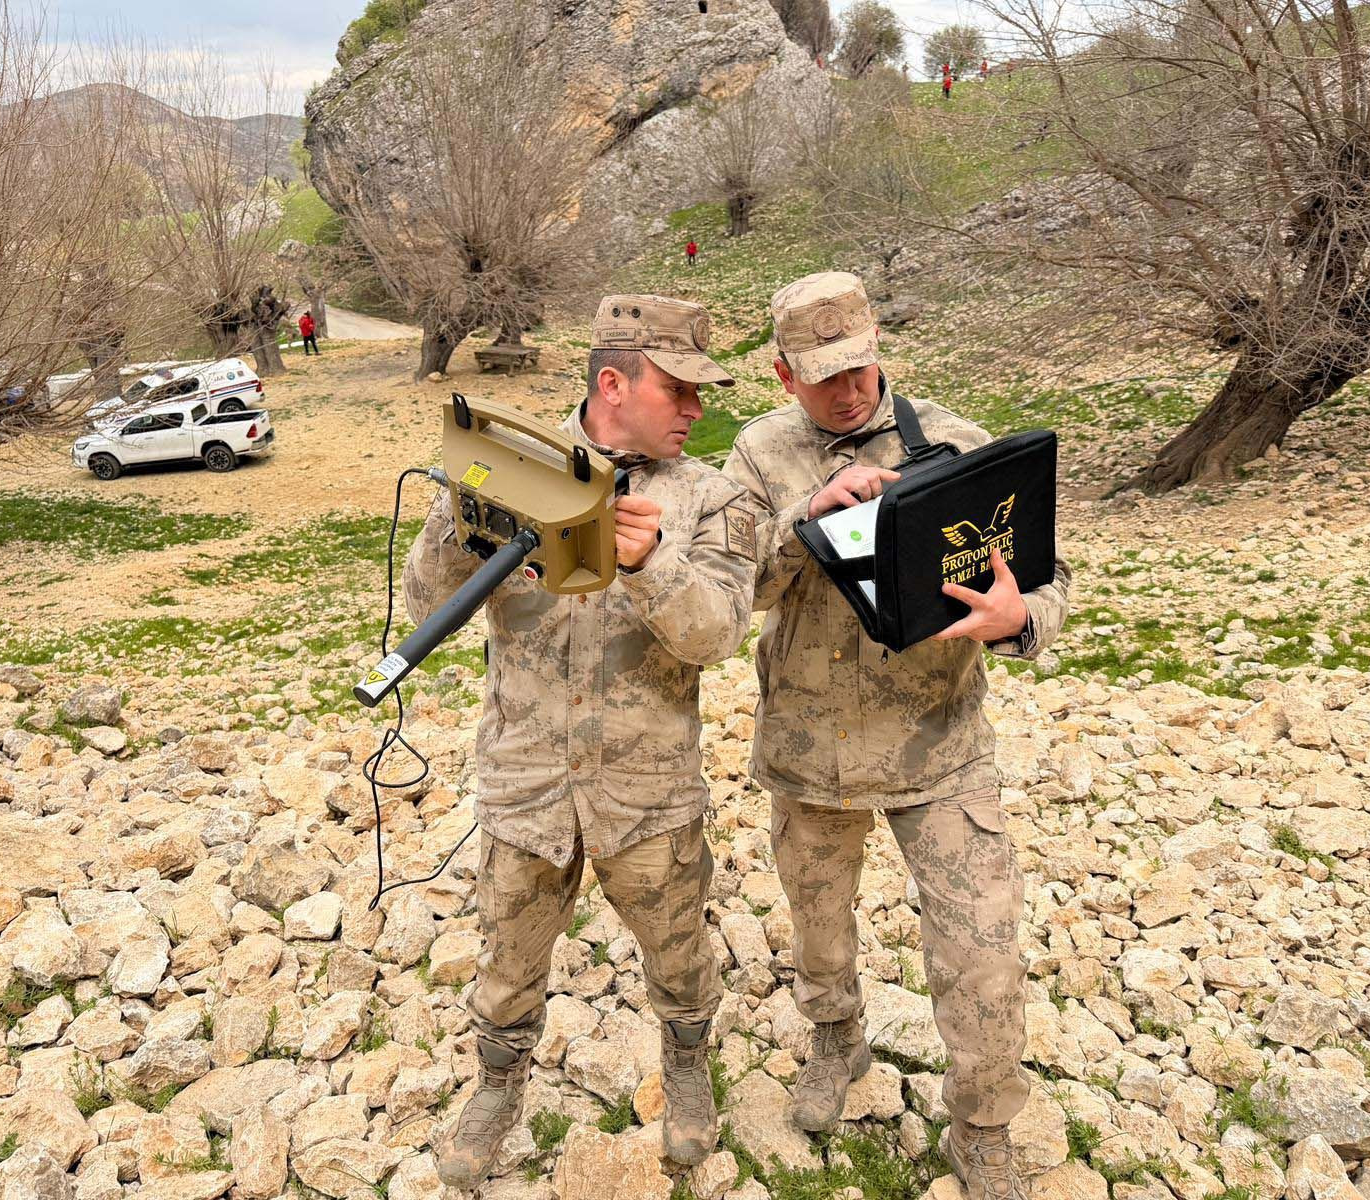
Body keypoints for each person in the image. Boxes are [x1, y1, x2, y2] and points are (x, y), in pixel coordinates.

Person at [722, 271, 1072, 1200]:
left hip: (941, 746)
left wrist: (1020, 619)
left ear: (881, 347)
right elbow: (730, 587)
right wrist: (806, 519)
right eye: (824, 373)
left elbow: (1048, 577)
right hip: (810, 748)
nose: (849, 389)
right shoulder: (756, 456)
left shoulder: (955, 442)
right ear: (781, 372)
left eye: (862, 365)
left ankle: (984, 1125)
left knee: (983, 953)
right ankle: (836, 1042)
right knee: (820, 929)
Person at [405, 294, 756, 1188]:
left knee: (678, 950)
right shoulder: (510, 466)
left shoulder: (713, 498)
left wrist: (652, 566)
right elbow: (425, 604)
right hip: (527, 781)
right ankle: (497, 1086)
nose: (696, 409)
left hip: (648, 790)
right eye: (678, 389)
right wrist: (463, 513)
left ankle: (685, 1068)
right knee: (508, 956)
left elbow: (717, 635)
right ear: (614, 382)